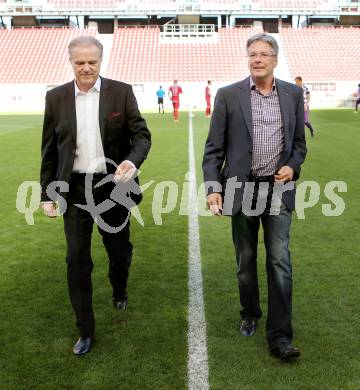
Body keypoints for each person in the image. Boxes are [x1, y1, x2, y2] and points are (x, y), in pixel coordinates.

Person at [40, 36, 151, 356]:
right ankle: (85, 330)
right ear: (71, 62)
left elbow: (142, 136)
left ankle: (119, 287)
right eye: (79, 62)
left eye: (92, 61)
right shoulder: (56, 98)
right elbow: (49, 150)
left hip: (113, 186)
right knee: (76, 259)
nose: (86, 67)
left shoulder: (122, 92)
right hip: (74, 189)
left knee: (119, 250)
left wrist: (131, 161)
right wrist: (48, 193)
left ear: (100, 61)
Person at [202, 33, 307, 361]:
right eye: (252, 54)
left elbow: (300, 145)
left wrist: (292, 166)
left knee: (279, 260)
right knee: (245, 260)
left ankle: (280, 337)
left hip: (277, 190)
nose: (257, 59)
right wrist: (213, 188)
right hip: (240, 188)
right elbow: (213, 149)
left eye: (263, 54)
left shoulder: (292, 94)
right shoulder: (228, 95)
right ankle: (250, 313)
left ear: (275, 60)